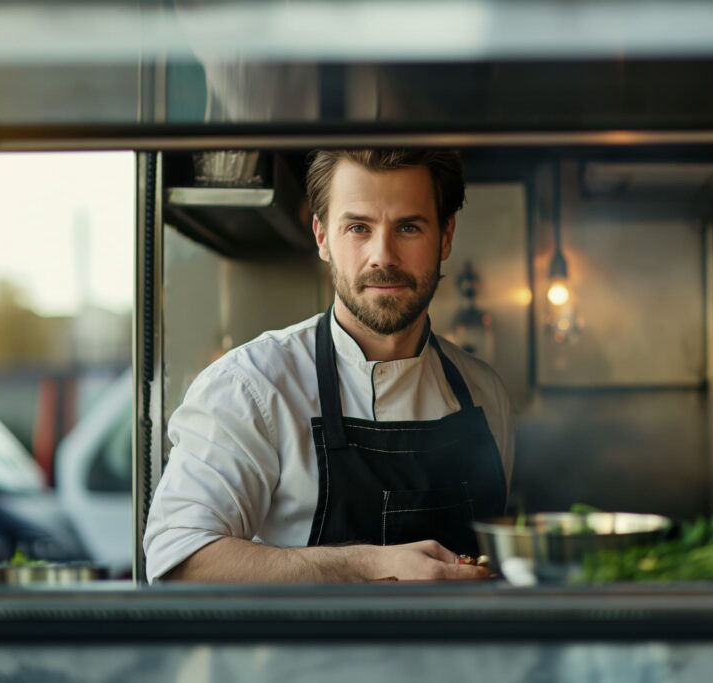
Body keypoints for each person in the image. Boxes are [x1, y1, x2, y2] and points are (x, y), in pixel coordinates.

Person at [143, 149, 514, 583]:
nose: (383, 255)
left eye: (409, 227)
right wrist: (369, 564)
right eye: (358, 227)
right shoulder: (250, 387)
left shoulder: (485, 393)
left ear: (445, 236)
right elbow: (180, 562)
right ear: (322, 237)